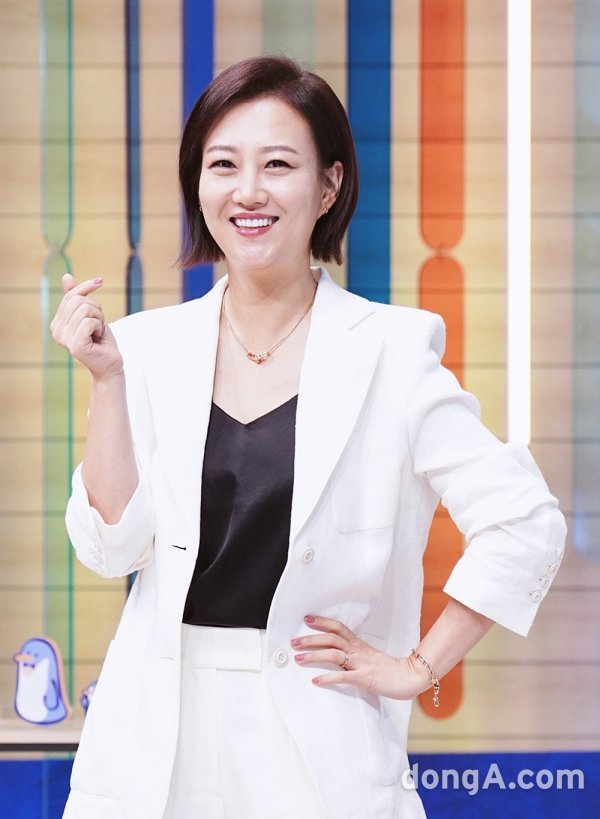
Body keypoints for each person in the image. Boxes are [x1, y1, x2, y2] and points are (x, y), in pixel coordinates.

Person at [53, 56, 566, 819]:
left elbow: (524, 520)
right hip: (152, 740)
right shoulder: (144, 348)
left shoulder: (392, 351)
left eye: (277, 165)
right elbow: (110, 550)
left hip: (313, 737)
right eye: (223, 164)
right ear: (198, 183)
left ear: (327, 186)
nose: (247, 191)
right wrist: (106, 382)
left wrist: (419, 666)